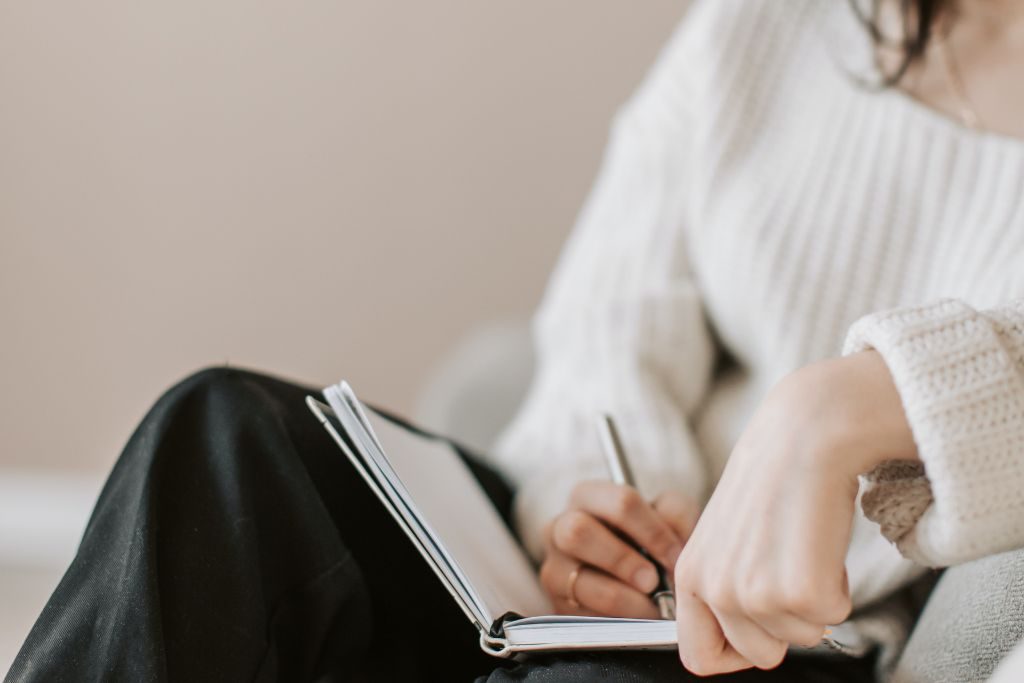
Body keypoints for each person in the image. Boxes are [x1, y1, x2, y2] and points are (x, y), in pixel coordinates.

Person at [7, 0, 1024, 681]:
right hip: (620, 594)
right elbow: (606, 317)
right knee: (225, 438)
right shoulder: (767, 27)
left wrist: (842, 405)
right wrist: (603, 513)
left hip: (786, 646)